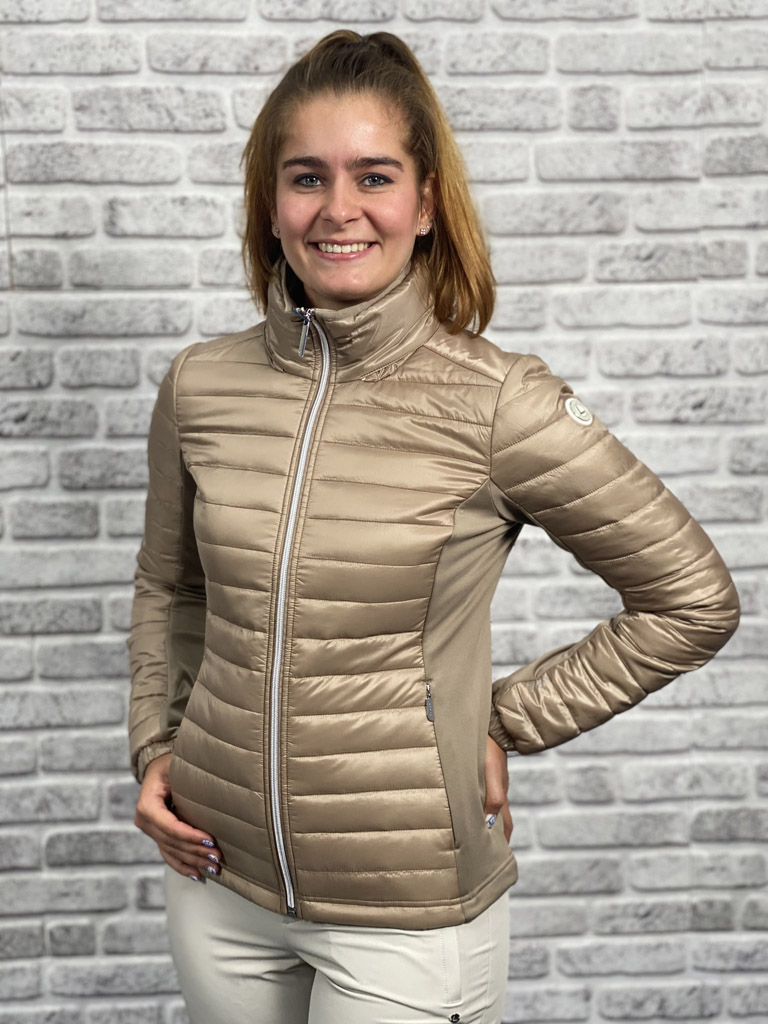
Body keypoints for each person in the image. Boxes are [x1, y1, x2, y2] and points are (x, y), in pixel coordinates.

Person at [128, 29, 741, 1024]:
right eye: (306, 177)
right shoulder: (202, 385)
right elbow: (173, 586)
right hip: (216, 884)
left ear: (423, 206)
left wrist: (499, 722)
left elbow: (691, 600)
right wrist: (156, 742)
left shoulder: (498, 403)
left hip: (407, 918)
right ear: (270, 206)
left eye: (374, 176)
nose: (338, 209)